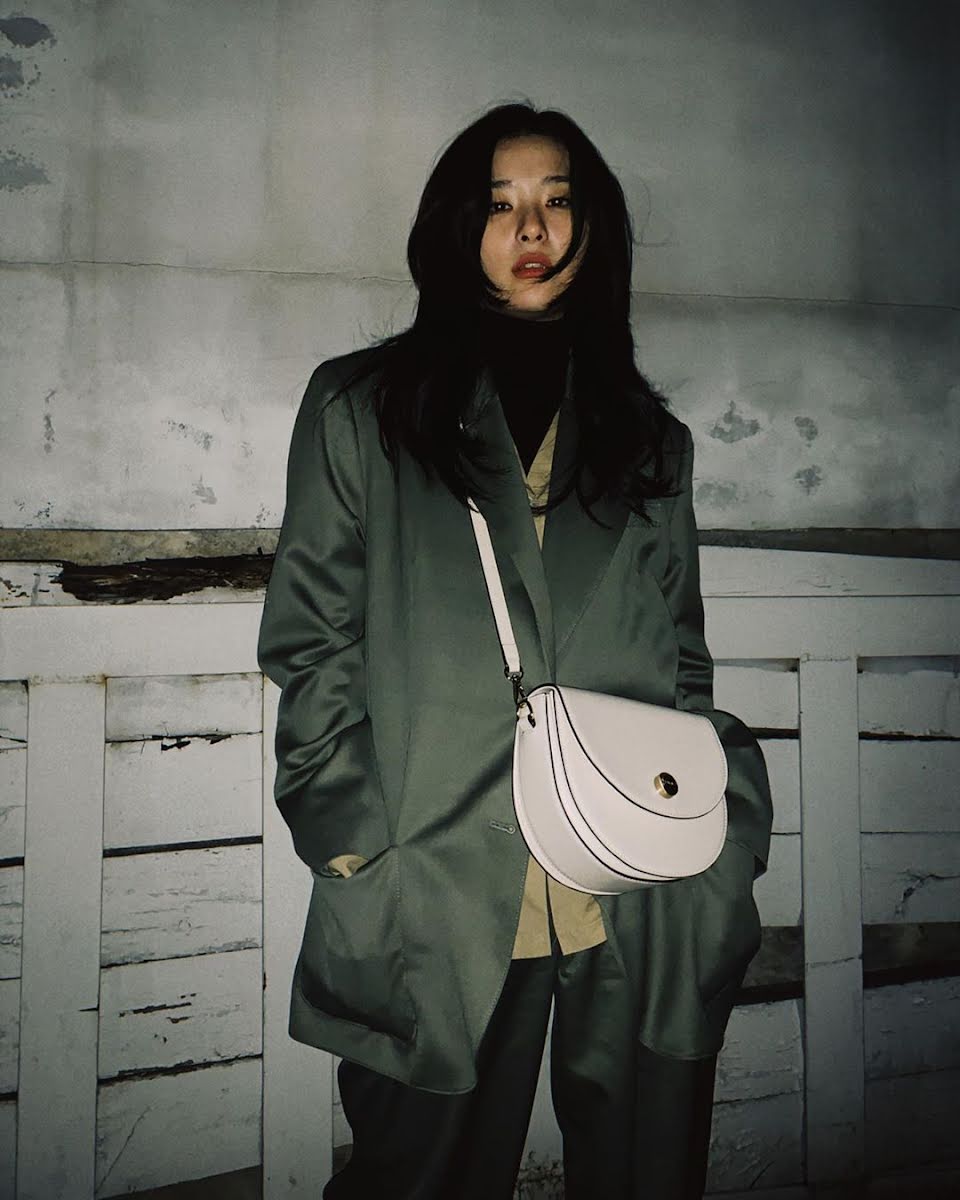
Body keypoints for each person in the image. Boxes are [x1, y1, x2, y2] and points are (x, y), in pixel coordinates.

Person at [257, 102, 772, 1200]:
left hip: (635, 874)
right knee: (419, 1174)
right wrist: (351, 840)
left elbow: (683, 657)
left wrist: (720, 848)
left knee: (642, 1171)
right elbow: (311, 638)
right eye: (498, 204)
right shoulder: (364, 410)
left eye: (555, 201)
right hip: (435, 874)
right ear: (458, 228)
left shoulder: (650, 443)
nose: (530, 227)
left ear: (594, 228)